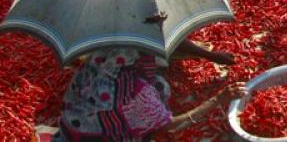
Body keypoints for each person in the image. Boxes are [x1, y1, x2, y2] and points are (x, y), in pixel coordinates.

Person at [54, 47, 243, 140]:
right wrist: (218, 99)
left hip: (75, 117)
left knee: (159, 85)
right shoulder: (133, 93)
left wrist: (210, 55)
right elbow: (170, 127)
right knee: (154, 98)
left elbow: (168, 41)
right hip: (93, 137)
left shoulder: (108, 52)